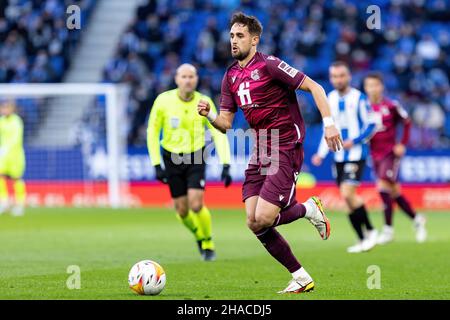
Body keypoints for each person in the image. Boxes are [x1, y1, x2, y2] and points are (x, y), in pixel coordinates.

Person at [197, 12, 343, 293]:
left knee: (264, 217)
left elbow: (315, 87)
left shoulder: (270, 64)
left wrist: (329, 124)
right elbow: (226, 124)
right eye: (231, 36)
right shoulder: (230, 76)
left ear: (254, 39)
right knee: (253, 222)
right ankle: (300, 276)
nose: (234, 41)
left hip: (285, 146)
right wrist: (209, 114)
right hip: (259, 150)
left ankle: (309, 209)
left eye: (240, 36)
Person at [147, 63, 232, 261]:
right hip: (171, 157)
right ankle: (198, 235)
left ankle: (208, 242)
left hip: (195, 156)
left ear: (196, 79)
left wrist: (225, 163)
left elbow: (218, 132)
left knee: (196, 204)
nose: (187, 80)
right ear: (177, 79)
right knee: (182, 210)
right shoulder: (163, 101)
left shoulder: (204, 101)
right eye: (183, 76)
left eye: (191, 76)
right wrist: (156, 164)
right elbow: (152, 131)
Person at [311, 61, 378, 253]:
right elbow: (329, 129)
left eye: (341, 75)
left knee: (348, 194)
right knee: (346, 199)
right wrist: (320, 154)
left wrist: (355, 140)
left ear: (348, 76)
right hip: (339, 157)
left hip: (356, 155)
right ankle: (361, 238)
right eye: (334, 76)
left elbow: (371, 125)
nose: (338, 79)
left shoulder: (359, 98)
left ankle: (371, 231)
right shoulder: (329, 98)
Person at [363, 72, 427, 244]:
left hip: (390, 153)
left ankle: (388, 230)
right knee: (394, 192)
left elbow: (406, 122)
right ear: (365, 88)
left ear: (381, 87)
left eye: (376, 85)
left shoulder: (391, 105)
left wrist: (402, 143)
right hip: (373, 154)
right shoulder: (364, 107)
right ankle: (417, 219)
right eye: (369, 85)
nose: (373, 89)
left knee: (383, 186)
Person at [0, 100, 26, 216]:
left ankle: (20, 204)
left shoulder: (16, 121)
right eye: (2, 108)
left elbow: (16, 139)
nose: (4, 110)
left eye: (6, 108)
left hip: (15, 155)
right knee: (1, 177)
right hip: (3, 155)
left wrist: (6, 148)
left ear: (11, 109)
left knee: (16, 179)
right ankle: (4, 202)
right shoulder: (1, 121)